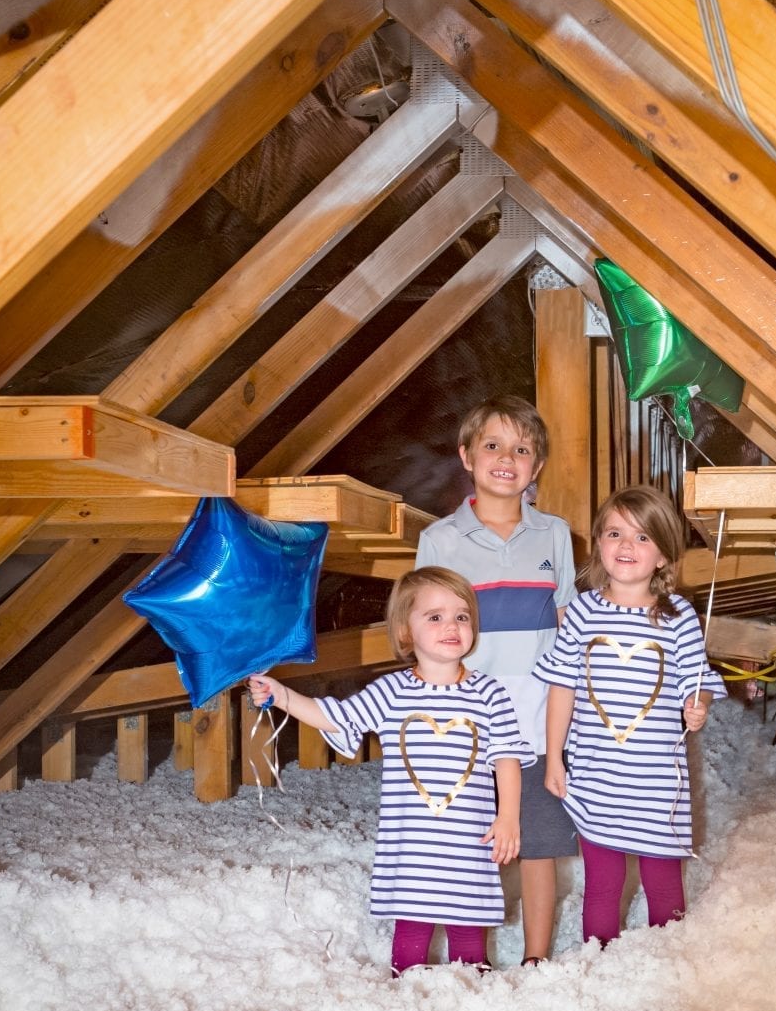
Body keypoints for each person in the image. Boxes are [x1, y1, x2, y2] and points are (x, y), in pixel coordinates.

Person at [248, 567, 530, 976]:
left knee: (469, 929)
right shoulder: (392, 691)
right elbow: (336, 717)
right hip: (410, 839)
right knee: (412, 929)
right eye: (434, 617)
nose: (451, 625)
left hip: (470, 838)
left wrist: (508, 818)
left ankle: (475, 1004)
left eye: (462, 616)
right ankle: (404, 995)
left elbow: (506, 758)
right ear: (404, 632)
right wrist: (282, 694)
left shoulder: (490, 692)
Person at [415, 396, 577, 966]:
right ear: (466, 455)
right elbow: (426, 626)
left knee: (538, 845)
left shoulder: (554, 534)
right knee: (465, 847)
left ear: (536, 467)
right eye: (492, 445)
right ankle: (469, 958)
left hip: (537, 725)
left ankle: (536, 958)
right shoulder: (440, 541)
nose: (506, 458)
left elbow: (568, 622)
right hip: (467, 728)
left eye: (522, 449)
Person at [534, 485, 725, 946]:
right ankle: (598, 964)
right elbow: (561, 687)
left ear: (662, 555)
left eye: (642, 538)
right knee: (603, 884)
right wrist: (555, 759)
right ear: (599, 542)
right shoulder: (581, 611)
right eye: (615, 533)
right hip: (596, 775)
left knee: (664, 883)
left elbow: (693, 683)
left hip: (657, 780)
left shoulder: (678, 615)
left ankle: (666, 961)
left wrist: (697, 706)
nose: (626, 546)